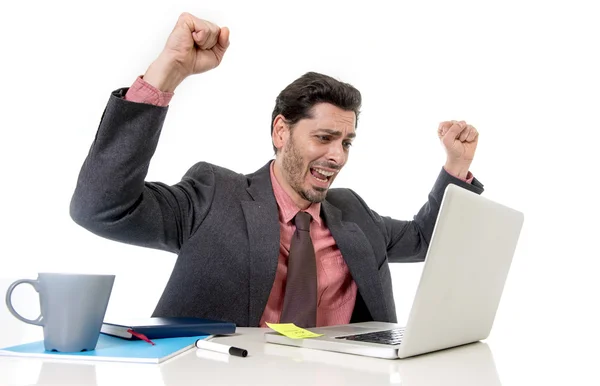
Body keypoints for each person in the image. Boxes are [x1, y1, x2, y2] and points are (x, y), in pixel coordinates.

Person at [70, 13, 484, 328]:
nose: (337, 157)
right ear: (281, 131)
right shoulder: (215, 195)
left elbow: (428, 239)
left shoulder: (352, 213)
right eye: (323, 138)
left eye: (346, 142)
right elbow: (101, 208)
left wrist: (457, 166)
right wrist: (168, 73)